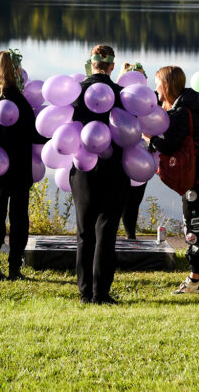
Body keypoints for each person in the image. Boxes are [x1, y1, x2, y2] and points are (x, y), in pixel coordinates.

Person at [148, 66, 199, 294]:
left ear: (166, 85)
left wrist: (150, 138)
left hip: (196, 176)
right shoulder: (190, 107)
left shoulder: (181, 113)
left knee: (194, 225)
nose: (155, 89)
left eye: (157, 84)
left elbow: (169, 145)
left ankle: (194, 281)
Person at [0, 49, 46, 280]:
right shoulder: (21, 101)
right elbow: (35, 135)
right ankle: (15, 267)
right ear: (16, 71)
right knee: (18, 219)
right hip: (19, 168)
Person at [69, 44, 130, 304]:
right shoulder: (123, 94)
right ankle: (101, 293)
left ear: (91, 64)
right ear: (112, 66)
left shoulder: (76, 92)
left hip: (83, 170)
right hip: (114, 168)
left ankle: (85, 294)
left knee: (84, 233)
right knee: (106, 232)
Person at [118, 62, 148, 240]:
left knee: (135, 201)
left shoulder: (149, 100)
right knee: (118, 199)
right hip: (121, 156)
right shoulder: (117, 100)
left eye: (142, 78)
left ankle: (131, 236)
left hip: (142, 156)